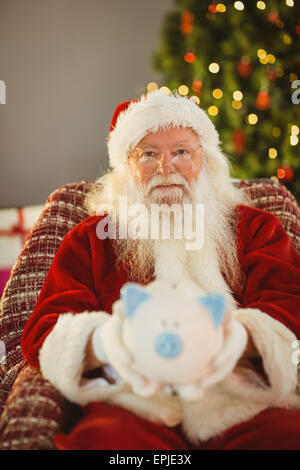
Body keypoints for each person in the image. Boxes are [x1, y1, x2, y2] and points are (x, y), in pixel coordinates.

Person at [21, 90, 300, 450]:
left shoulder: (255, 228)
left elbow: (289, 307)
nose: (166, 169)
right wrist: (115, 345)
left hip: (242, 400)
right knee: (105, 440)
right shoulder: (92, 239)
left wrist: (225, 343)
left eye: (181, 152)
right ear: (126, 168)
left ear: (206, 161)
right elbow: (45, 329)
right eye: (148, 154)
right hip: (134, 403)